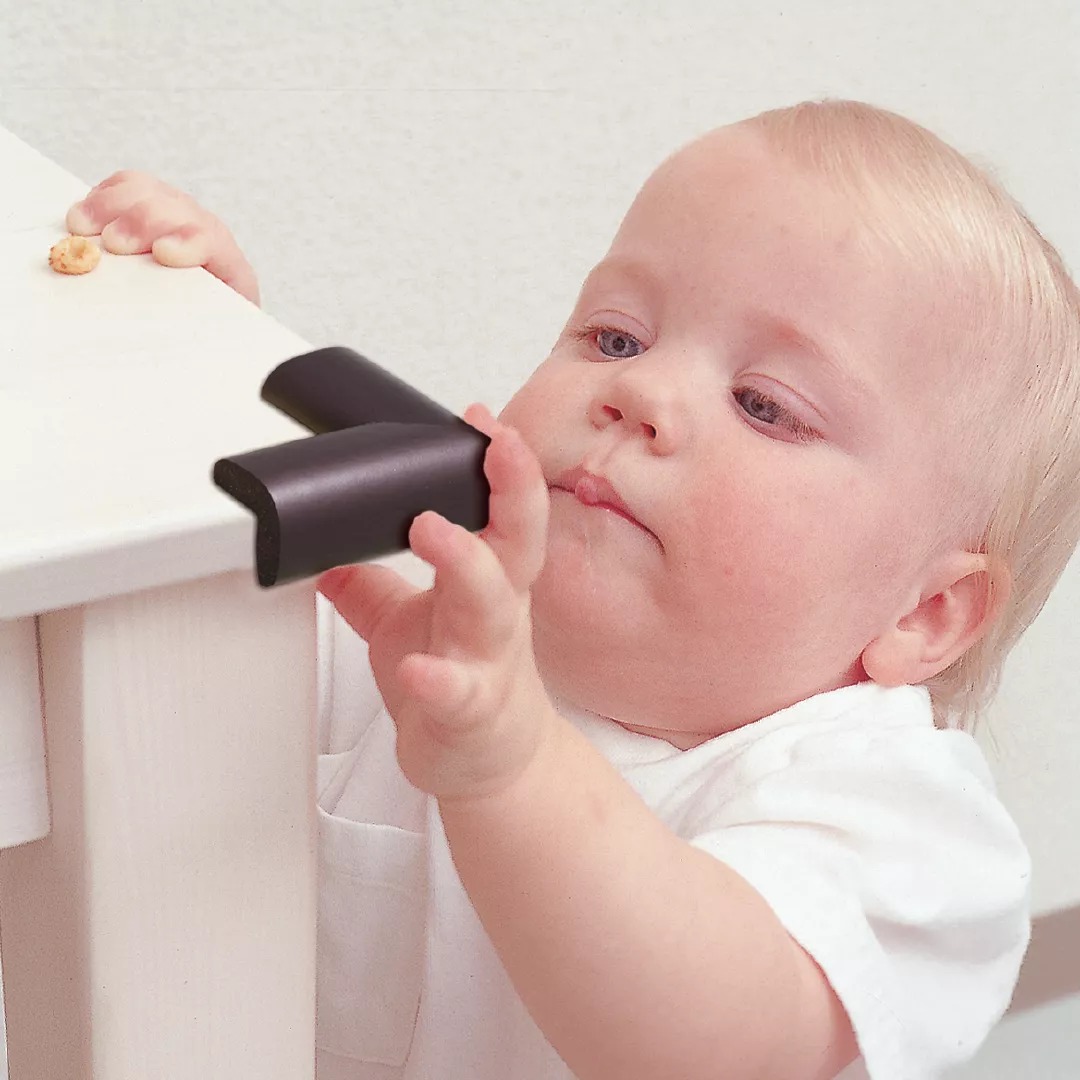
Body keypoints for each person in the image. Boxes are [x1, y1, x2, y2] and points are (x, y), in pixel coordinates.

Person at [69, 99, 1080, 1079]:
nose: (638, 393)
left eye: (764, 405)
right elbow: (178, 642)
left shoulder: (898, 820)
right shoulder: (422, 632)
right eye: (616, 338)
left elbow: (708, 1046)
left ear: (924, 613)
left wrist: (506, 764)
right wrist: (202, 365)